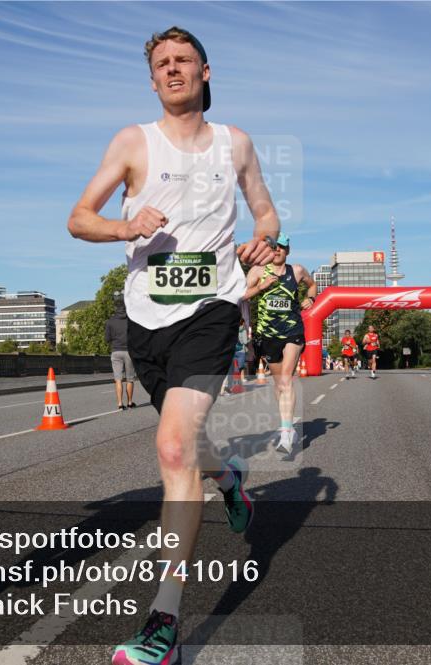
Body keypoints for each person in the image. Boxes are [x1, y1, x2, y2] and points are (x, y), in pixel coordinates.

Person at [66, 26, 279, 665]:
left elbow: (264, 212)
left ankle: (164, 618)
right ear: (152, 79)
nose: (173, 69)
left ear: (206, 72)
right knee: (188, 444)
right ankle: (229, 479)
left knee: (171, 445)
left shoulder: (235, 144)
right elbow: (79, 217)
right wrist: (123, 226)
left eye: (184, 60)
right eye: (162, 63)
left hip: (213, 308)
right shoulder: (134, 142)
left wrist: (263, 241)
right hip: (146, 319)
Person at [243, 233, 316, 454]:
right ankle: (287, 425)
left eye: (282, 247)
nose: (277, 251)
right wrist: (261, 287)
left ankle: (286, 433)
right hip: (267, 334)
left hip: (293, 331)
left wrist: (310, 298)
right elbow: (242, 296)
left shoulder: (298, 271)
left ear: (287, 251)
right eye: (274, 247)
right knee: (278, 385)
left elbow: (313, 286)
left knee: (286, 380)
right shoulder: (257, 271)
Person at [105, 291, 137, 409]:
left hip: (116, 351)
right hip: (129, 351)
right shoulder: (131, 320)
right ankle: (129, 402)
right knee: (130, 379)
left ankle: (119, 403)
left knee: (118, 379)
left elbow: (107, 339)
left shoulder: (110, 321)